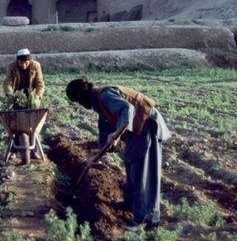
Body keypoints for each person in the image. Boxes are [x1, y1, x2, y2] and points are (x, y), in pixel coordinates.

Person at [65, 78, 171, 230]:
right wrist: (98, 153)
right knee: (131, 164)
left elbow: (127, 109)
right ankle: (129, 203)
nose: (81, 106)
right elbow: (104, 128)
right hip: (137, 128)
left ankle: (146, 218)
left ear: (81, 97)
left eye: (77, 102)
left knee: (142, 171)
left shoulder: (105, 95)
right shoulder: (99, 103)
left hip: (146, 125)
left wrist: (116, 133)